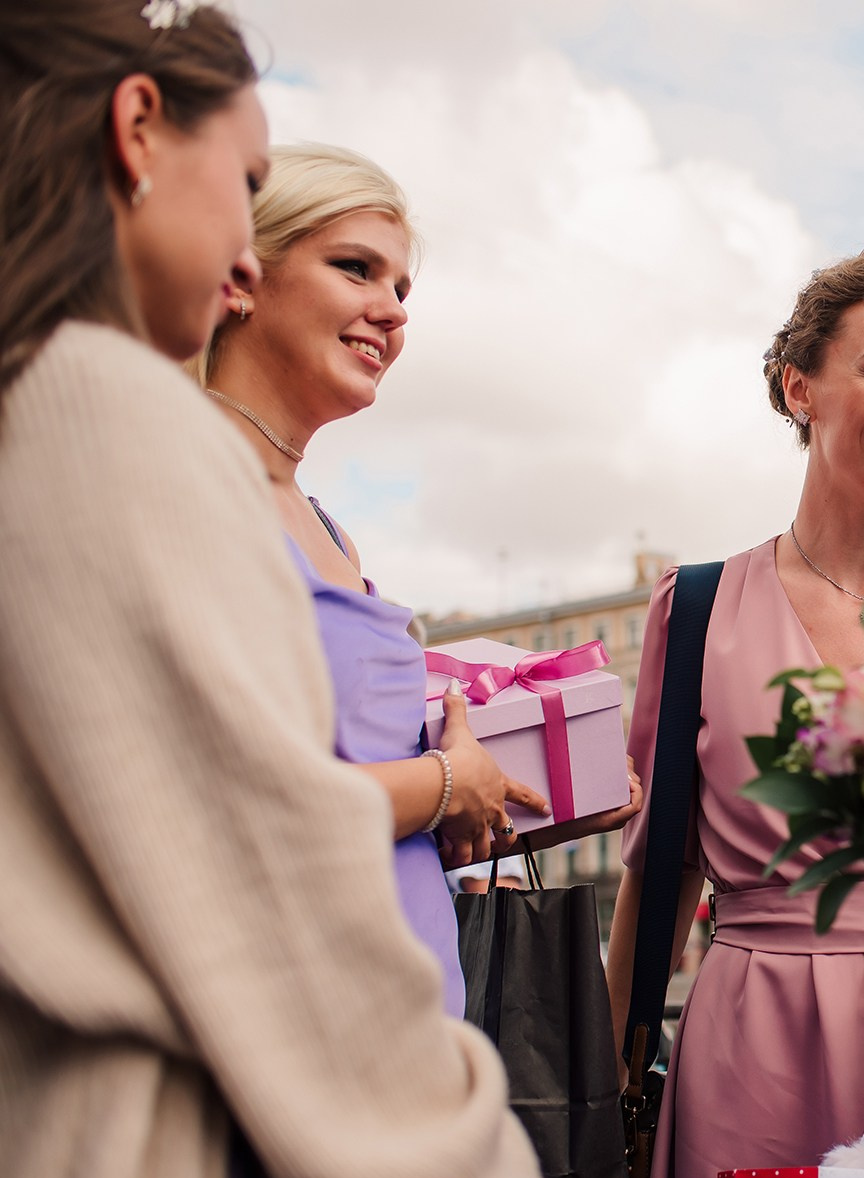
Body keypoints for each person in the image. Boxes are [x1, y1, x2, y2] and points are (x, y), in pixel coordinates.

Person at [0, 3, 563, 1178]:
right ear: (138, 128)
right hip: (227, 1144)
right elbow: (258, 847)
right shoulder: (104, 407)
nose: (243, 258)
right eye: (245, 184)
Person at [199, 142, 640, 1016]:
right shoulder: (188, 482)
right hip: (283, 1020)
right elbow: (223, 807)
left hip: (399, 1013)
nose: (391, 312)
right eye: (355, 268)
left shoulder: (327, 529)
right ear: (241, 276)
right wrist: (448, 783)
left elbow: (359, 818)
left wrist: (526, 800)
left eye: (403, 290)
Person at [604, 244, 864, 1178]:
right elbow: (658, 872)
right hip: (748, 1058)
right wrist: (607, 1090)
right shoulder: (700, 604)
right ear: (797, 386)